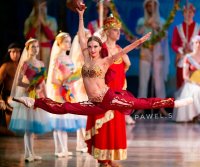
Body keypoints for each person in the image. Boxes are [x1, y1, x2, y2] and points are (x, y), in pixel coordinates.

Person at [13, 5, 193, 125]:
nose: (91, 48)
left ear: (100, 47)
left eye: (95, 46)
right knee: (65, 108)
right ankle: (32, 101)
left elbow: (124, 51)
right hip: (95, 103)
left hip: (108, 98)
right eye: (90, 46)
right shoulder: (85, 55)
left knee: (141, 103)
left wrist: (139, 42)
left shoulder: (105, 60)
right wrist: (82, 15)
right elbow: (81, 36)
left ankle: (175, 103)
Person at [85, 15, 133, 167]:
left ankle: (111, 159)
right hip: (105, 92)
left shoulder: (119, 49)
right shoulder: (102, 48)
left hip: (117, 92)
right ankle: (102, 161)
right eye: (114, 30)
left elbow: (126, 65)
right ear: (107, 31)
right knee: (105, 126)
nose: (118, 33)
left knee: (116, 126)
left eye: (119, 30)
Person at [9, 38, 52, 162]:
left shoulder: (41, 64)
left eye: (37, 46)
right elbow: (19, 82)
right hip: (27, 96)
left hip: (37, 96)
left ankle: (32, 152)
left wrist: (46, 96)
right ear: (27, 49)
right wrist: (30, 86)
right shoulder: (26, 63)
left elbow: (43, 82)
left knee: (32, 129)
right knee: (28, 127)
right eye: (32, 47)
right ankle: (28, 154)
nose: (35, 49)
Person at [46, 32, 86, 157]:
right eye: (66, 42)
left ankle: (64, 148)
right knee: (59, 121)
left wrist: (73, 79)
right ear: (59, 44)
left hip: (69, 91)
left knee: (64, 120)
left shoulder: (69, 58)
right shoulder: (56, 59)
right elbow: (52, 79)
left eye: (69, 41)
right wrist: (64, 83)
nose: (69, 44)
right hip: (60, 92)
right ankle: (59, 149)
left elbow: (73, 74)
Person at [135, 0, 169, 116]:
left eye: (153, 5)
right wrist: (147, 24)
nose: (151, 8)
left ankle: (162, 106)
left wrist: (157, 27)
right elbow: (138, 31)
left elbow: (165, 35)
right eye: (149, 5)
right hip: (145, 52)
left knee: (159, 81)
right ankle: (141, 106)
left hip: (158, 52)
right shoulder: (141, 21)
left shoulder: (162, 21)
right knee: (143, 81)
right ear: (146, 7)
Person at [172, 3, 200, 89]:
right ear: (183, 13)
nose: (188, 14)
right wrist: (181, 49)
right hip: (182, 59)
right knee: (181, 83)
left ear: (194, 13)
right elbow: (174, 44)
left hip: (195, 60)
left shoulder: (198, 28)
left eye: (190, 12)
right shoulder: (178, 28)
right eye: (186, 12)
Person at [173, 35, 200, 122]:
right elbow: (185, 76)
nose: (198, 44)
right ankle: (196, 115)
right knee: (197, 91)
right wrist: (195, 83)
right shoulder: (188, 57)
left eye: (199, 42)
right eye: (196, 43)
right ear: (193, 44)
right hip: (192, 83)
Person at [24, 0, 58, 68]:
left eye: (43, 6)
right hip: (33, 49)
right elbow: (28, 37)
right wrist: (36, 24)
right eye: (39, 6)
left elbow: (51, 37)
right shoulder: (29, 20)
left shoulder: (52, 20)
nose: (41, 8)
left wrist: (43, 22)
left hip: (46, 51)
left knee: (46, 69)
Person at [0, 43, 21, 130]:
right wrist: (0, 99)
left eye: (17, 52)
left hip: (21, 96)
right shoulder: (5, 66)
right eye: (13, 52)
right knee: (11, 129)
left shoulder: (23, 65)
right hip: (8, 96)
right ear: (9, 53)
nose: (15, 54)